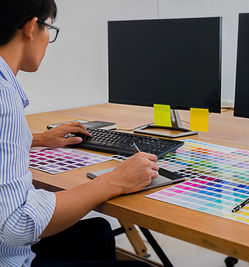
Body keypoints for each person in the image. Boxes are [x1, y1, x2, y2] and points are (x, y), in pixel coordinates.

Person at [0, 1, 159, 266]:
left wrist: (35, 138)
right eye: (49, 28)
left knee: (98, 232)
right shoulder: (4, 98)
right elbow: (16, 224)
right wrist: (114, 181)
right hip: (11, 258)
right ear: (30, 27)